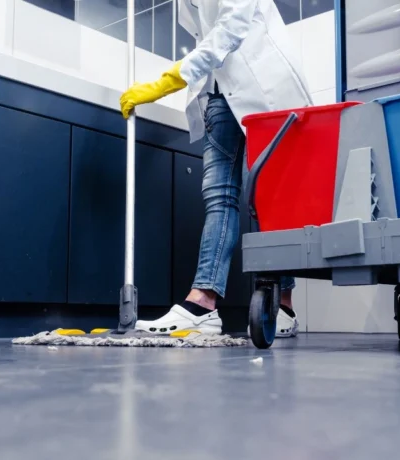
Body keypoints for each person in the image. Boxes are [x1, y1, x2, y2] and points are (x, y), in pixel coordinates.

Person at [119, 0, 312, 337]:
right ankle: (203, 302)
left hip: (264, 88)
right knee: (218, 195)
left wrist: (173, 77)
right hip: (218, 93)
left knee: (271, 198)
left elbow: (233, 25)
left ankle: (284, 305)